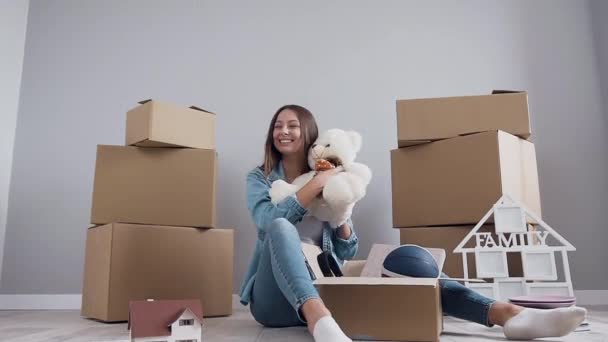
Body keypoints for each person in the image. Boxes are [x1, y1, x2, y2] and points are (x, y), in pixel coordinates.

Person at [239, 104, 587, 342]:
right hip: (275, 302)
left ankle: (507, 314)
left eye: (292, 125)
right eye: (277, 126)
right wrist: (313, 186)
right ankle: (321, 324)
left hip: (325, 286)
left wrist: (343, 214)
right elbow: (267, 221)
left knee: (408, 260)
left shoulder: (332, 176)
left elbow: (346, 250)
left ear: (308, 132)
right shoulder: (261, 178)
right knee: (282, 228)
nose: (283, 131)